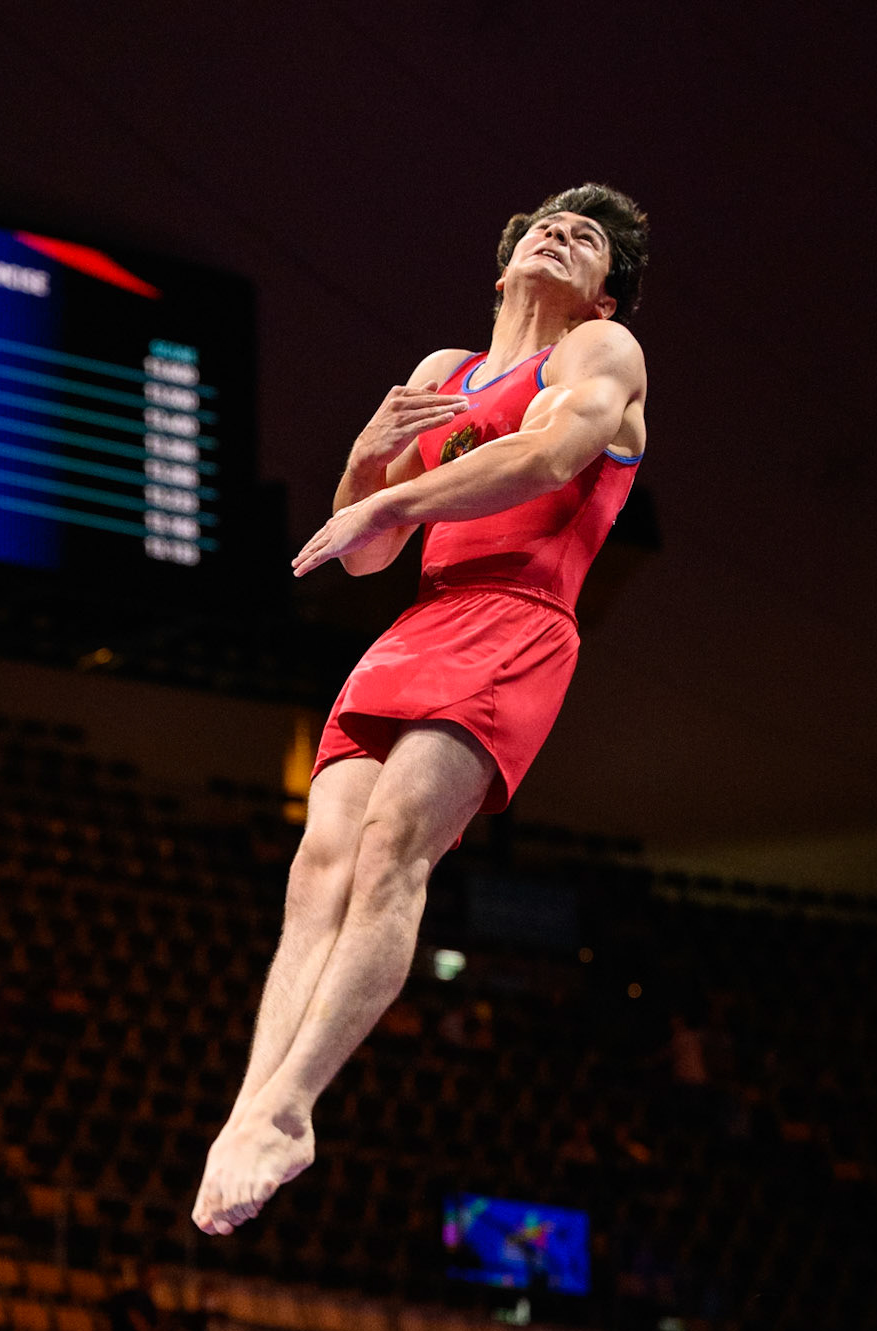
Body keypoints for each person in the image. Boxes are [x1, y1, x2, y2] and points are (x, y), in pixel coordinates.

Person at [193, 184, 648, 1237]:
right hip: (419, 619)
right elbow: (367, 556)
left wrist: (392, 493)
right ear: (503, 267)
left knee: (398, 839)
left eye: (585, 239)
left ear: (606, 297)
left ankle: (295, 1105)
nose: (558, 235)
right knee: (320, 862)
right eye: (545, 224)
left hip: (518, 619)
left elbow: (548, 457)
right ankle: (252, 1104)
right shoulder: (445, 375)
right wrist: (365, 461)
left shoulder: (601, 360)